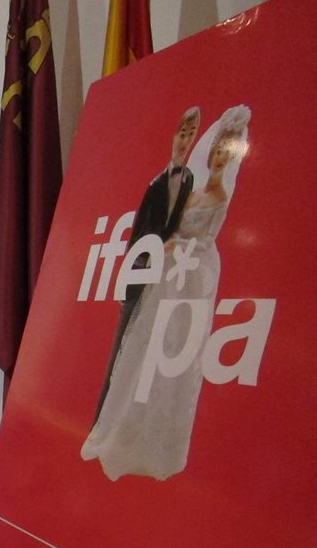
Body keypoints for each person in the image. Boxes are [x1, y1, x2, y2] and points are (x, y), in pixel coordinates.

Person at [82, 105, 251, 481]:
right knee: (138, 349)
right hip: (159, 276)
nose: (218, 156)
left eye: (226, 152)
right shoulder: (187, 186)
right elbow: (161, 224)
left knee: (171, 352)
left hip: (187, 280)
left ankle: (154, 441)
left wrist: (177, 247)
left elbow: (203, 242)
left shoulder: (219, 197)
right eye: (217, 149)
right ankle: (117, 426)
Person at [91, 107, 201, 423]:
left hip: (165, 278)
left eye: (190, 134)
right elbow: (139, 233)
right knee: (120, 350)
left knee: (146, 354)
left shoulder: (189, 179)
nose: (184, 141)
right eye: (181, 133)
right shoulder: (155, 184)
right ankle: (100, 420)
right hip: (140, 273)